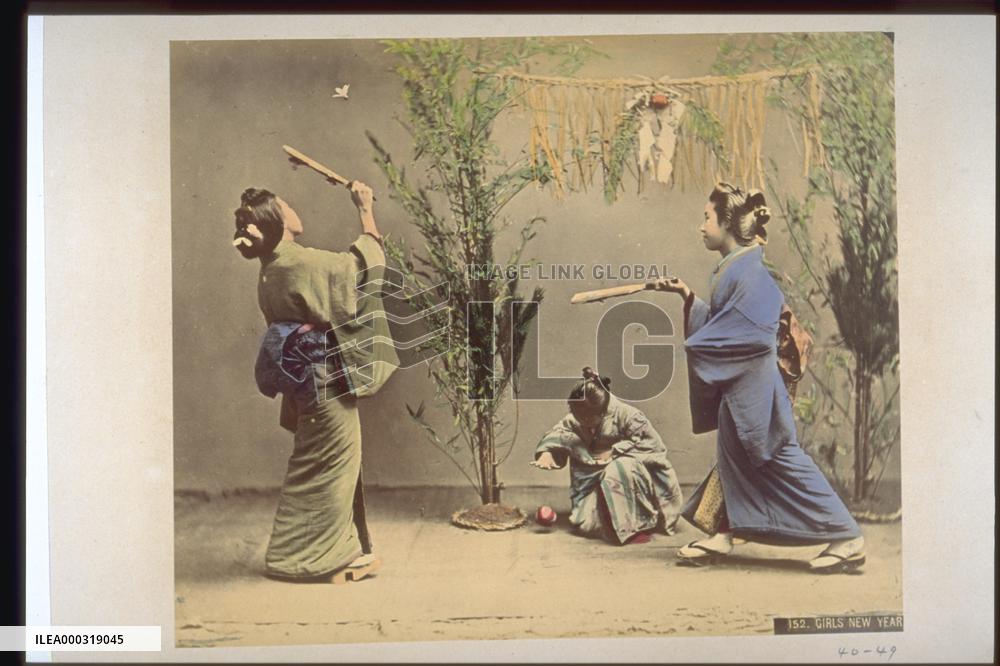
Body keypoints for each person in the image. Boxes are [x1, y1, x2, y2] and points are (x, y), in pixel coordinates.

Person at [654, 182, 865, 573]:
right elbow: (727, 324)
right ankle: (724, 533)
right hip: (742, 385)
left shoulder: (753, 275)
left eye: (706, 218)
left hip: (755, 391)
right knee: (733, 460)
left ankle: (847, 535)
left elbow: (751, 334)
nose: (701, 226)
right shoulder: (739, 268)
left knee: (780, 460)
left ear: (728, 225)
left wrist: (702, 345)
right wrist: (688, 298)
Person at [232, 180, 399, 584]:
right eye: (286, 204)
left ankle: (301, 553)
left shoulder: (273, 269)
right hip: (324, 379)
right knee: (332, 466)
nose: (293, 207)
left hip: (306, 380)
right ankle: (315, 559)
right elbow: (366, 272)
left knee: (318, 465)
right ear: (278, 221)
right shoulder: (296, 262)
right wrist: (364, 209)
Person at [531, 367, 684, 545]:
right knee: (588, 525)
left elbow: (653, 448)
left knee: (620, 467)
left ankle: (635, 526)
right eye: (577, 416)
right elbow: (560, 431)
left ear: (603, 413)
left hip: (633, 484)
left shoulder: (630, 416)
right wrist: (547, 453)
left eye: (587, 420)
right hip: (592, 484)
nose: (582, 423)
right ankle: (605, 522)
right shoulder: (579, 416)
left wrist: (614, 452)